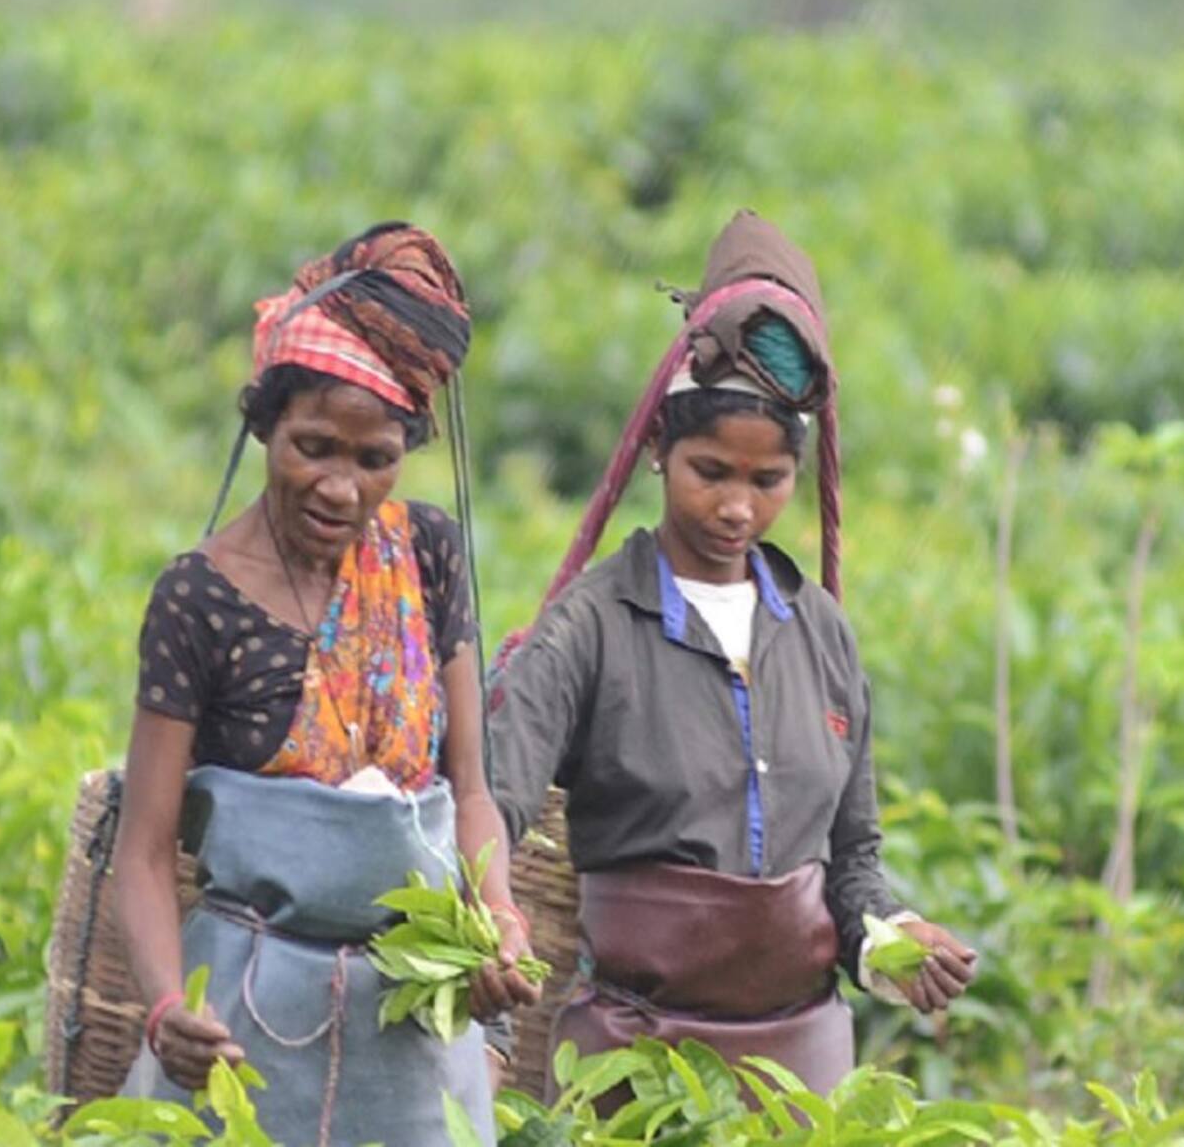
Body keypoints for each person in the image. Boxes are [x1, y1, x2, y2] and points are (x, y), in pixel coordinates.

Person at [490, 211, 977, 1096]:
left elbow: (851, 858)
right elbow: (493, 804)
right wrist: (487, 911)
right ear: (658, 451)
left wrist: (890, 938)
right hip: (633, 1065)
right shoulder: (590, 627)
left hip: (799, 1072)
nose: (737, 508)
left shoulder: (819, 632)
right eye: (710, 472)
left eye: (767, 481)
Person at [111, 222, 540, 1145]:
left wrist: (498, 915)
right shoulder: (199, 599)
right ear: (264, 426)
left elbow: (469, 790)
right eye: (313, 447)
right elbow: (143, 849)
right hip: (246, 1018)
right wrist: (166, 1010)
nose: (340, 488)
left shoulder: (427, 555)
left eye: (374, 459)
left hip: (410, 1024)